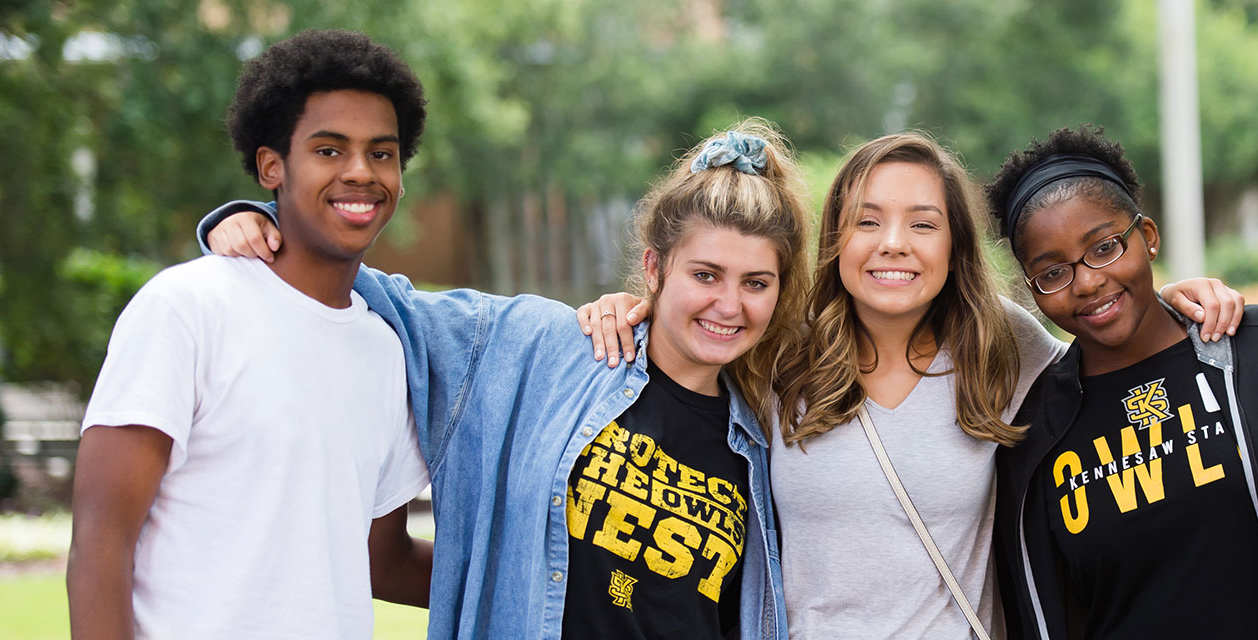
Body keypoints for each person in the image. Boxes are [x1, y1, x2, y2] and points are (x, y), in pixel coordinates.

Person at [578, 133, 1245, 639]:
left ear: (953, 246)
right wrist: (626, 308)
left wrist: (1180, 302)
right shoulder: (779, 352)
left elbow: (1108, 348)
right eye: (868, 221)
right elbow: (690, 342)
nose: (893, 243)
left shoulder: (1002, 345)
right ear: (838, 237)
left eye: (922, 223)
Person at [198, 121, 808, 638]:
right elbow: (384, 299)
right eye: (706, 274)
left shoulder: (763, 441)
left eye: (756, 283)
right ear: (655, 267)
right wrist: (259, 220)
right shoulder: (543, 349)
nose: (729, 304)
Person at [68, 29, 433, 639]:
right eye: (327, 150)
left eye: (382, 153)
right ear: (272, 166)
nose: (360, 174)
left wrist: (570, 584)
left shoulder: (388, 352)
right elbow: (102, 544)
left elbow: (382, 562)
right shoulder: (188, 308)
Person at [985, 126, 1258, 640]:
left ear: (1147, 236)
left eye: (1104, 247)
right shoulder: (1033, 437)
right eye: (1053, 272)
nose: (1086, 281)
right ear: (1032, 289)